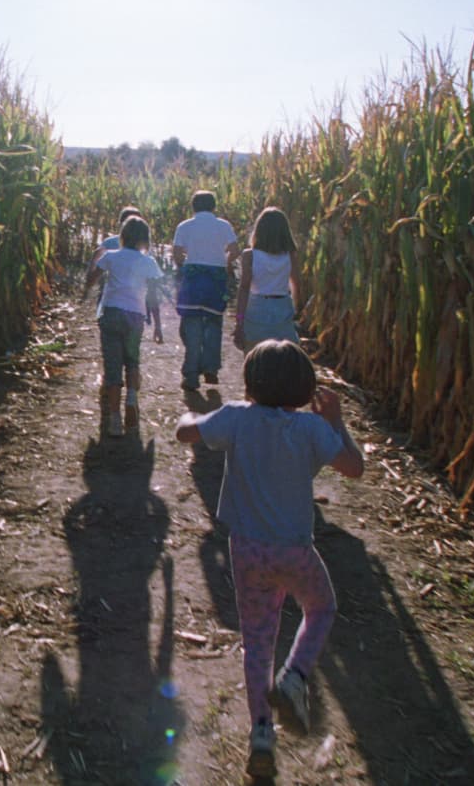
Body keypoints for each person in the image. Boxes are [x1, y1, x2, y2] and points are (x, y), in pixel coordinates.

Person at [174, 340, 364, 778]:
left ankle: (261, 732)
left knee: (258, 640)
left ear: (251, 383)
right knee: (321, 608)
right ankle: (295, 676)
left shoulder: (237, 417)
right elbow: (354, 468)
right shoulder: (312, 430)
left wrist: (188, 418)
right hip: (295, 548)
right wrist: (337, 422)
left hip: (247, 550)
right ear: (303, 387)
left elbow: (188, 434)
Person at [87, 215, 163, 437]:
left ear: (122, 235)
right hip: (135, 316)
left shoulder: (111, 256)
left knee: (112, 367)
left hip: (111, 313)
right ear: (144, 239)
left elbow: (91, 280)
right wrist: (158, 326)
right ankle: (131, 399)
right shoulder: (149, 262)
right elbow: (153, 298)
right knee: (132, 360)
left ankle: (114, 419)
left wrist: (96, 263)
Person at [171, 190, 239, 391]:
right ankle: (211, 369)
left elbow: (176, 254)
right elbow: (235, 251)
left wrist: (185, 267)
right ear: (213, 206)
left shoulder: (185, 226)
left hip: (193, 277)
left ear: (193, 207)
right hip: (216, 279)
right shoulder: (223, 225)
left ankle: (191, 375)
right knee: (213, 323)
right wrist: (225, 264)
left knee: (191, 325)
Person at [232, 206, 303, 352]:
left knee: (254, 354)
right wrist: (295, 312)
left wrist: (239, 321)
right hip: (282, 306)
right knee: (283, 355)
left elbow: (244, 288)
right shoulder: (290, 256)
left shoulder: (250, 255)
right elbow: (297, 286)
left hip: (256, 308)